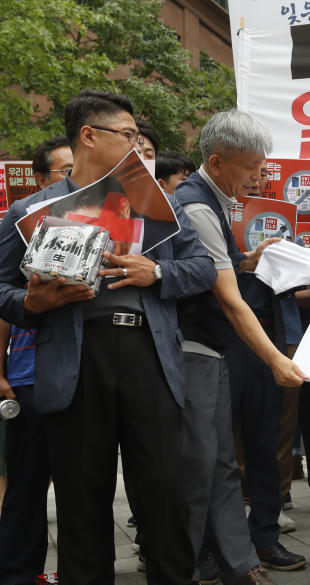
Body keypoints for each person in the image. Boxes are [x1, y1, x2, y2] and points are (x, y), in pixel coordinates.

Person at [0, 89, 217, 584]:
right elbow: (3, 288)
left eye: (138, 137)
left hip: (148, 355)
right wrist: (32, 305)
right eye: (128, 135)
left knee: (164, 494)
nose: (137, 145)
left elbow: (202, 268)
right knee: (81, 500)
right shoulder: (29, 212)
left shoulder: (151, 201)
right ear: (89, 136)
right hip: (74, 362)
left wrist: (156, 272)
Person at [174, 108, 309, 585]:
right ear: (216, 162)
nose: (259, 176)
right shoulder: (197, 207)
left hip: (208, 350)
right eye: (252, 167)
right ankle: (205, 561)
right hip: (198, 350)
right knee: (208, 463)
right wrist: (275, 359)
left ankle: (232, 560)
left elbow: (223, 273)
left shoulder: (210, 202)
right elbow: (228, 301)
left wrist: (250, 259)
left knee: (219, 461)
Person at [0, 135, 76, 585]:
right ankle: (16, 571)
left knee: (79, 484)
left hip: (84, 372)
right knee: (28, 482)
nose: (74, 179)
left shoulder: (105, 217)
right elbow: (5, 301)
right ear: (42, 180)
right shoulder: (22, 222)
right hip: (30, 375)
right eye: (64, 171)